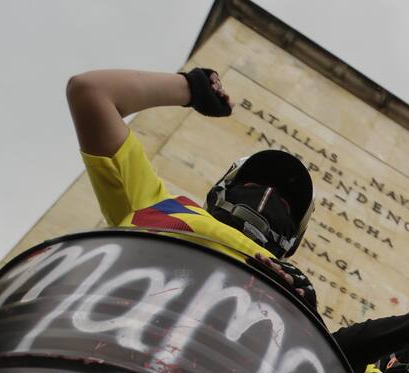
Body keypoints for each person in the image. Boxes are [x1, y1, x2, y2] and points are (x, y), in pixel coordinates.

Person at [66, 66, 317, 306]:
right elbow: (90, 90)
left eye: (283, 203)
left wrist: (302, 314)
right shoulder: (160, 206)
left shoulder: (292, 288)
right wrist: (192, 88)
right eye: (253, 185)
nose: (267, 195)